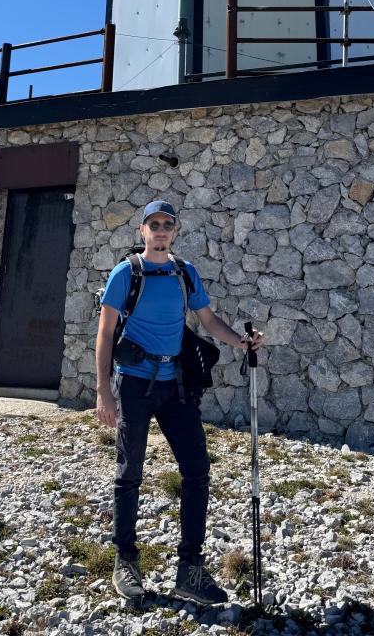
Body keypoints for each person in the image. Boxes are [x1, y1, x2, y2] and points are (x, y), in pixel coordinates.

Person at [95, 198, 264, 606]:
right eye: (153, 225)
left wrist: (241, 342)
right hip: (134, 384)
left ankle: (190, 570)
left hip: (177, 386)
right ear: (142, 230)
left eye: (167, 225)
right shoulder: (126, 273)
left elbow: (208, 320)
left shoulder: (184, 273)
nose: (160, 231)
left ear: (174, 231)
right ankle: (125, 560)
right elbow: (105, 333)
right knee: (129, 473)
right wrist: (103, 391)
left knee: (197, 471)